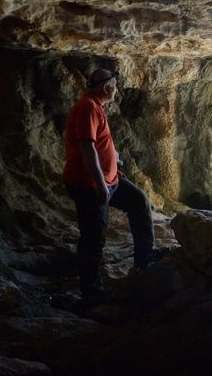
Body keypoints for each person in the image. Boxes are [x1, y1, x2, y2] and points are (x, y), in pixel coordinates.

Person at [63, 68, 158, 300]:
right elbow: (87, 147)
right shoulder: (87, 107)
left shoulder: (96, 107)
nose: (117, 90)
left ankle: (145, 261)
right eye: (115, 85)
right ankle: (91, 293)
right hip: (89, 185)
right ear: (106, 88)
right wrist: (99, 183)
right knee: (94, 237)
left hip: (109, 180)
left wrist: (115, 173)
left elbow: (103, 147)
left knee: (139, 202)